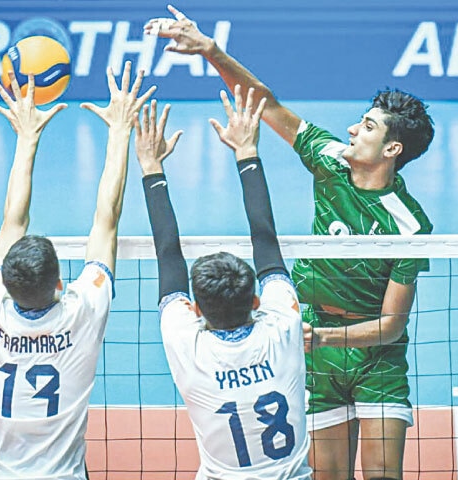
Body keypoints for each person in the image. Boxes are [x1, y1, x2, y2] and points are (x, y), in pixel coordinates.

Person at [146, 7, 434, 480]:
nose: (351, 130)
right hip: (315, 346)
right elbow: (268, 104)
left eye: (366, 127)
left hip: (373, 356)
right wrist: (211, 52)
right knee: (329, 476)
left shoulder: (408, 224)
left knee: (384, 475)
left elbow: (390, 324)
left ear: (392, 150)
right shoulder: (330, 161)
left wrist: (321, 338)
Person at [0, 61, 154, 478]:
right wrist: (120, 130)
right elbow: (108, 218)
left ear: (7, 283)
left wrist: (27, 137)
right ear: (59, 282)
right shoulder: (82, 311)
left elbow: (12, 222)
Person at [137, 85, 311, 479]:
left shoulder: (187, 343)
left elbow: (168, 255)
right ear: (255, 301)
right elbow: (266, 241)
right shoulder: (282, 326)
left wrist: (152, 166)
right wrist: (246, 151)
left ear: (196, 310)